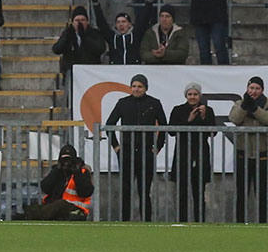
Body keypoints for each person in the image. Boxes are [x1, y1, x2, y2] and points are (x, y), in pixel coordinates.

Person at [106, 73, 167, 221]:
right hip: (126, 152)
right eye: (133, 86)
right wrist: (116, 147)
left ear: (145, 88)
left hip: (146, 152)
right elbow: (109, 124)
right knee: (125, 190)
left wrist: (158, 147)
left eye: (140, 86)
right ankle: (125, 221)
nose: (136, 89)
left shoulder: (154, 103)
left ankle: (146, 222)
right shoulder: (123, 103)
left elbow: (164, 126)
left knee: (144, 190)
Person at [168, 81, 217, 223]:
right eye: (190, 94)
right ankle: (182, 221)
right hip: (183, 154)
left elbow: (213, 133)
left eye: (195, 94)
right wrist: (188, 120)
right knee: (182, 192)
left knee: (199, 192)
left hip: (201, 154)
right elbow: (171, 131)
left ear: (200, 96)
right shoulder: (178, 110)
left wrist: (203, 117)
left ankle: (199, 222)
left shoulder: (208, 111)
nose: (192, 97)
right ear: (186, 95)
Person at [14, 145, 93, 221]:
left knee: (59, 204)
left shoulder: (82, 172)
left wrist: (77, 173)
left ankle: (30, 216)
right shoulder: (58, 172)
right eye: (64, 159)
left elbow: (85, 193)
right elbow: (45, 188)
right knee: (39, 207)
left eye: (69, 159)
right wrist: (56, 171)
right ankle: (30, 213)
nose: (66, 162)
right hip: (57, 207)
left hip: (76, 208)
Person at [228, 76, 268, 223]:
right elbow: (234, 119)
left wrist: (255, 109)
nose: (254, 91)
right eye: (251, 88)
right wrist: (245, 106)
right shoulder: (240, 103)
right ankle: (240, 222)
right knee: (241, 192)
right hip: (242, 154)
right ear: (247, 88)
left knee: (262, 192)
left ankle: (263, 223)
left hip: (262, 154)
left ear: (262, 90)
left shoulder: (266, 103)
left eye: (257, 88)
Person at [52, 5, 107, 75]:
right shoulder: (68, 33)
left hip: (90, 72)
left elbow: (101, 49)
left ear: (87, 21)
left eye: (82, 20)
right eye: (77, 20)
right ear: (72, 22)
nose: (80, 23)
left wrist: (84, 37)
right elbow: (56, 50)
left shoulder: (95, 33)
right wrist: (66, 36)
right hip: (72, 72)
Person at [91, 0, 141, 65]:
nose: (121, 24)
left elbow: (144, 19)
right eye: (118, 22)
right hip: (115, 70)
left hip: (133, 69)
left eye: (124, 21)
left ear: (129, 24)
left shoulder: (136, 36)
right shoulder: (112, 37)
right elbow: (101, 23)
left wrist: (149, 1)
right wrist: (95, 3)